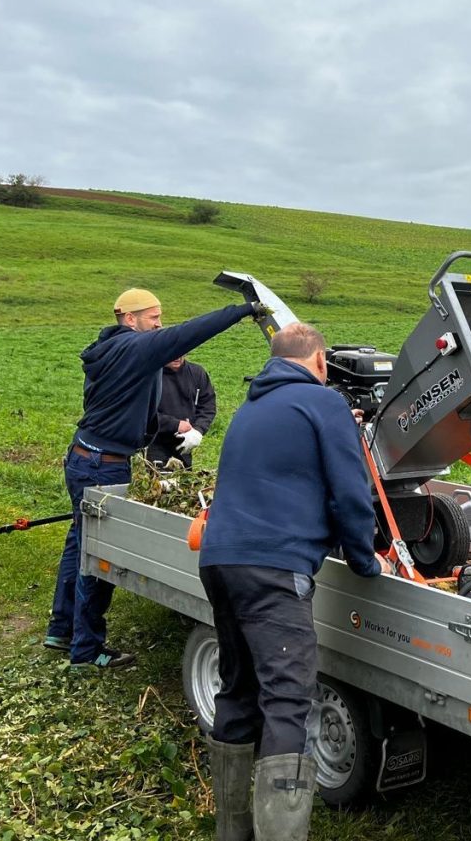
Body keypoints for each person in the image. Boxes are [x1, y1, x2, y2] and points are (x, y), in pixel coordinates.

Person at [197, 321, 386, 841]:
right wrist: (366, 560)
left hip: (219, 560)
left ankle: (232, 830)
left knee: (238, 689)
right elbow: (351, 493)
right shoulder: (324, 403)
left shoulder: (251, 407)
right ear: (320, 361)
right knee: (287, 699)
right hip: (274, 569)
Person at [44, 287, 268, 669]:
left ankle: (61, 629)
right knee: (99, 551)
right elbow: (188, 334)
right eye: (154, 317)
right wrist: (242, 310)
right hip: (102, 465)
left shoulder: (110, 348)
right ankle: (86, 649)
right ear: (130, 319)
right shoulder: (134, 347)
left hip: (85, 455)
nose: (160, 324)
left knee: (79, 541)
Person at [145, 356, 217, 468]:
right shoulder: (149, 376)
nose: (178, 356)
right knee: (159, 478)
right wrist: (175, 424)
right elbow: (143, 413)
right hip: (155, 443)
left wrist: (198, 430)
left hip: (184, 444)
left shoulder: (197, 373)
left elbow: (207, 405)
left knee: (184, 477)